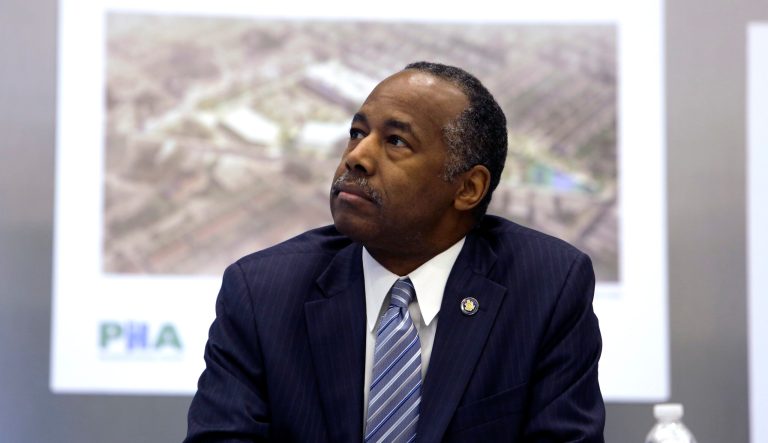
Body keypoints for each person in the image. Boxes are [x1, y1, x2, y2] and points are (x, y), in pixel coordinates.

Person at [185, 61, 605, 442]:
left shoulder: (547, 288)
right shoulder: (262, 292)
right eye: (357, 133)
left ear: (468, 188)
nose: (357, 157)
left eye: (397, 142)